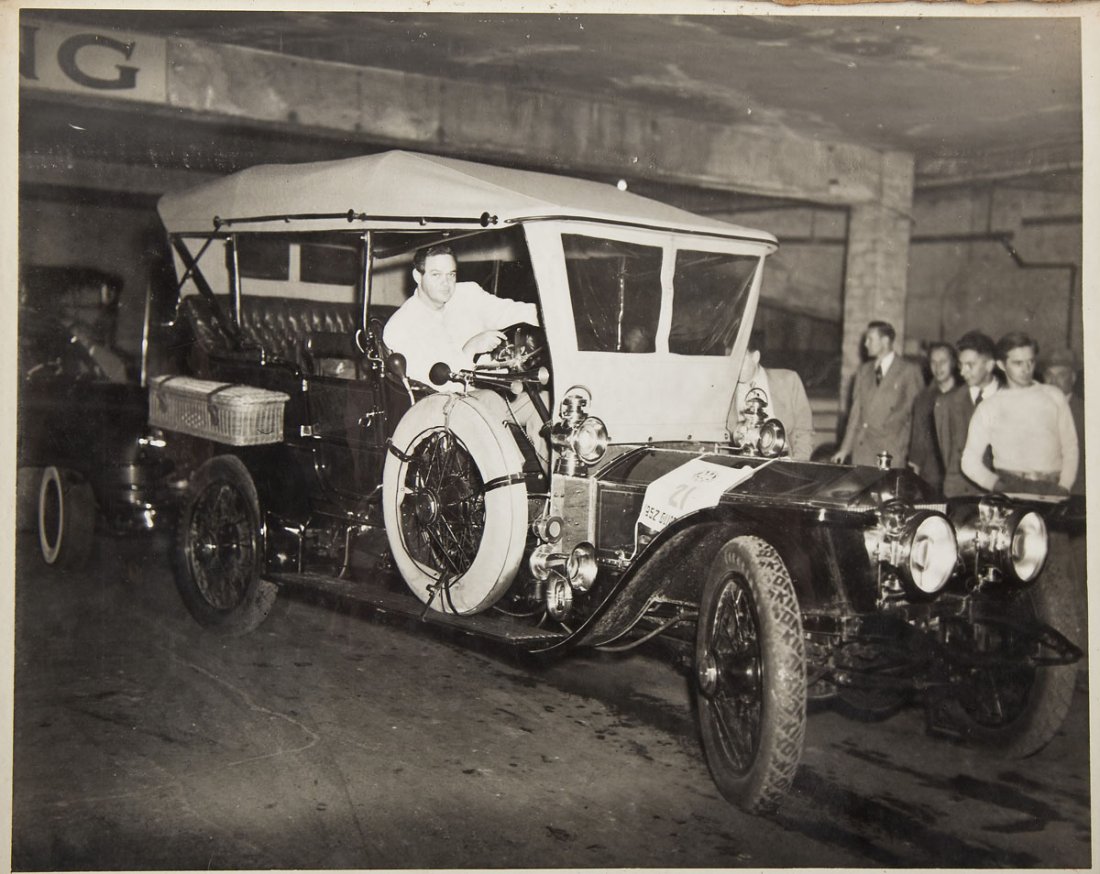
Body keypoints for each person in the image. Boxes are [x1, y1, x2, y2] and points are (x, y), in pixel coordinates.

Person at [383, 243, 546, 465]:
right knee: (488, 401)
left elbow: (512, 311)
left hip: (496, 394)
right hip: (448, 407)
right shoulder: (401, 326)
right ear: (417, 276)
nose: (446, 283)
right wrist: (470, 349)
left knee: (546, 401)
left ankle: (558, 485)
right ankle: (513, 485)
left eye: (451, 274)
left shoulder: (467, 293)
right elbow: (436, 387)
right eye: (436, 274)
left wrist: (553, 315)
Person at [961, 331, 1078, 496]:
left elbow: (1070, 446)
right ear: (1001, 365)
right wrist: (997, 486)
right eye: (1018, 363)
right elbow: (969, 461)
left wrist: (1065, 485)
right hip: (1011, 488)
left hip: (1052, 488)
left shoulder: (1054, 396)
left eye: (1030, 361)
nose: (1027, 369)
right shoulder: (989, 406)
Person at [831, 320, 924, 467]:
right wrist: (844, 449)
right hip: (863, 451)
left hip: (891, 452)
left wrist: (914, 456)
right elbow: (855, 415)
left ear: (885, 341)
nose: (866, 344)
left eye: (870, 339)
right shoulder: (863, 371)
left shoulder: (908, 371)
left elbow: (917, 417)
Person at [728, 330, 814, 460]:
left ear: (755, 357)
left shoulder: (789, 380)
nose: (734, 367)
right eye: (731, 361)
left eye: (740, 359)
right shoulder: (724, 391)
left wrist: (797, 463)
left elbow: (804, 430)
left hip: (784, 464)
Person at [934, 331, 1000, 497]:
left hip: (999, 494)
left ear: (990, 365)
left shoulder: (1010, 400)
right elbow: (947, 453)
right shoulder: (946, 403)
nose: (963, 372)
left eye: (970, 365)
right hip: (959, 494)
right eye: (961, 365)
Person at [907, 341, 957, 494]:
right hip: (930, 475)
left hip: (957, 475)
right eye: (933, 362)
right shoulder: (923, 398)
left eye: (943, 362)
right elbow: (917, 439)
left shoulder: (963, 396)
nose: (938, 367)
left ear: (954, 363)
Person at [1043, 348, 1085, 496]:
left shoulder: (1085, 413)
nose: (1053, 381)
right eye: (1049, 375)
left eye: (1061, 375)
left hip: (1075, 497)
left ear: (1073, 378)